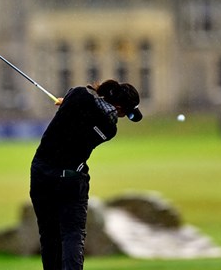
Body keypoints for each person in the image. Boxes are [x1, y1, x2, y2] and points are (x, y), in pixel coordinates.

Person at [29, 79, 143, 270]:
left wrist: (66, 103)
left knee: (49, 235)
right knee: (72, 234)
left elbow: (79, 108)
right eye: (126, 113)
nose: (123, 117)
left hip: (42, 174)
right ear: (117, 107)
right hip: (71, 179)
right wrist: (68, 105)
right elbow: (90, 117)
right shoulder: (109, 129)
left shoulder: (78, 95)